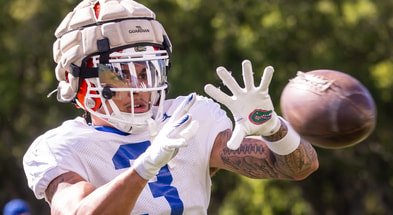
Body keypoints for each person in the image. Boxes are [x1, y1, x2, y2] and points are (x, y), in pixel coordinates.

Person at [23, 0, 319, 214]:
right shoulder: (60, 147)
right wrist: (145, 166)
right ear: (76, 80)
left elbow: (299, 168)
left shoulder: (187, 118)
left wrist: (275, 129)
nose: (140, 88)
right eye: (120, 74)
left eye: (147, 72)